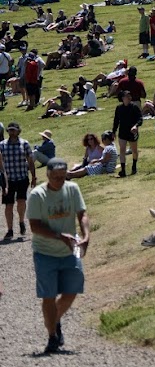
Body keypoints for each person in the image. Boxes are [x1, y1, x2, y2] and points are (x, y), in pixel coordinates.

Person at [26, 157, 89, 353]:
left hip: (70, 251)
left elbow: (82, 214)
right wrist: (59, 236)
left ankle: (55, 319)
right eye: (55, 178)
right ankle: (52, 335)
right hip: (45, 252)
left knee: (72, 291)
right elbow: (35, 226)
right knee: (49, 296)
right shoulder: (37, 195)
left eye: (63, 177)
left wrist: (86, 235)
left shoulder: (72, 188)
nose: (59, 181)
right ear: (48, 175)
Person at [2, 121, 37, 239]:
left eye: (13, 130)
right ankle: (10, 229)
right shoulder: (2, 145)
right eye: (10, 130)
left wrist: (34, 176)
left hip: (22, 177)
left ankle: (21, 221)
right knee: (8, 205)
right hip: (8, 179)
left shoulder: (24, 144)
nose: (11, 132)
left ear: (18, 131)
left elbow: (30, 161)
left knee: (21, 201)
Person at [111, 89, 143, 177]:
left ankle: (134, 165)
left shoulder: (134, 107)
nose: (129, 98)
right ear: (122, 98)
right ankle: (123, 170)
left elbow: (140, 119)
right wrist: (113, 131)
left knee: (134, 150)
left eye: (129, 96)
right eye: (126, 96)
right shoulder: (119, 108)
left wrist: (136, 126)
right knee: (122, 150)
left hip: (132, 132)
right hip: (122, 132)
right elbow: (116, 121)